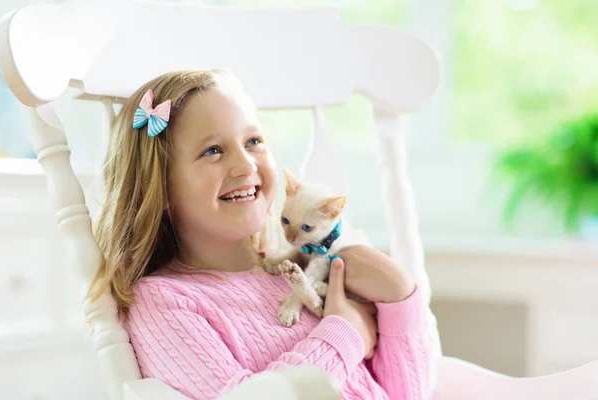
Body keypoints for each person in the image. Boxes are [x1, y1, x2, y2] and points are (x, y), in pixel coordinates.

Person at [89, 69, 439, 400]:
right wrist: (344, 335)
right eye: (213, 150)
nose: (246, 165)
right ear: (160, 188)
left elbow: (406, 393)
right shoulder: (165, 303)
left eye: (253, 140)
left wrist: (399, 295)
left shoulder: (297, 266)